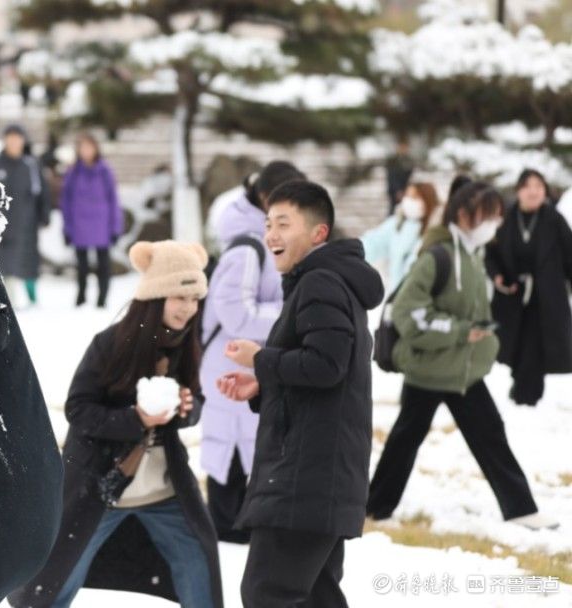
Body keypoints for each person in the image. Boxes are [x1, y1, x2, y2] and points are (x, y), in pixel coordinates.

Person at [8, 240, 223, 608]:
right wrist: (135, 418)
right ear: (156, 297)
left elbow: (197, 402)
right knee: (54, 583)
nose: (188, 309)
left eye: (194, 299)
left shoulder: (187, 345)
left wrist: (187, 408)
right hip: (101, 489)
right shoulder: (111, 345)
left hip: (165, 492)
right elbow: (79, 409)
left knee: (199, 569)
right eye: (179, 298)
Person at [216, 180, 385, 607]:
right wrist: (265, 381)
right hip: (317, 478)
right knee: (313, 597)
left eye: (284, 224)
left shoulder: (320, 283)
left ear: (318, 233)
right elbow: (326, 371)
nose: (271, 234)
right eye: (268, 223)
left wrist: (261, 359)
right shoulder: (325, 282)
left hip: (306, 480)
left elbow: (326, 366)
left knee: (266, 594)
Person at [367, 181, 558, 530]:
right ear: (467, 215)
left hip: (463, 372)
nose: (496, 223)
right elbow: (410, 312)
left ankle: (521, 509)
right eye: (491, 215)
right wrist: (459, 331)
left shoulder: (472, 253)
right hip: (430, 371)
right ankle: (374, 508)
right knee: (404, 442)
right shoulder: (437, 255)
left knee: (489, 437)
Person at [199, 161, 303, 544]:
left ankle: (240, 527)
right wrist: (290, 317)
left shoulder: (264, 240)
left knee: (250, 449)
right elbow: (236, 313)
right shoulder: (246, 247)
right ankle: (229, 532)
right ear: (267, 199)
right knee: (233, 453)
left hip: (248, 365)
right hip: (230, 365)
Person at [486, 169, 572, 406]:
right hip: (513, 295)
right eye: (528, 186)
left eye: (539, 186)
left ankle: (527, 397)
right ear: (518, 191)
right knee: (515, 345)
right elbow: (489, 252)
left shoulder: (554, 220)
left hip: (546, 298)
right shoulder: (506, 218)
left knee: (536, 347)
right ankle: (522, 388)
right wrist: (497, 277)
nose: (533, 191)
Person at [0, 125, 52, 307]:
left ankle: (33, 300)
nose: (14, 142)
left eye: (18, 138)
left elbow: (43, 193)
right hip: (1, 225)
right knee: (3, 265)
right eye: (11, 137)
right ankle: (8, 302)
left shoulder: (31, 165)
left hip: (26, 223)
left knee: (28, 262)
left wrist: (44, 214)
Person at [59, 132, 123, 308]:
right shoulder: (73, 172)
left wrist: (116, 228)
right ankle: (81, 298)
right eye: (83, 147)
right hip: (80, 225)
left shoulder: (105, 171)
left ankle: (102, 300)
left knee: (103, 266)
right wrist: (67, 229)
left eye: (89, 147)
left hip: (102, 225)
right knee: (82, 266)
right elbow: (66, 201)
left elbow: (114, 200)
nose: (86, 151)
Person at [361, 181, 441, 292]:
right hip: (397, 297)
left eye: (414, 197)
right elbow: (373, 243)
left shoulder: (435, 233)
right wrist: (351, 251)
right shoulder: (397, 224)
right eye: (407, 196)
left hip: (420, 296)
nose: (408, 201)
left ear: (427, 201)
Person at [385, 138, 414, 216]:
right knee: (393, 210)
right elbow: (392, 177)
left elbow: (410, 176)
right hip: (395, 190)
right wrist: (398, 190)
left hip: (405, 190)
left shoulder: (409, 160)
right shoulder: (392, 161)